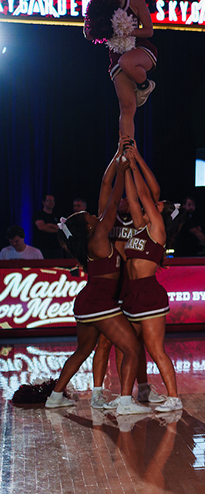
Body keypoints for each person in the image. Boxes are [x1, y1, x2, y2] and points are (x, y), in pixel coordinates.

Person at [45, 144, 145, 410]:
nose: (91, 214)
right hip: (100, 303)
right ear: (87, 225)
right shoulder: (99, 236)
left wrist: (116, 155)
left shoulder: (90, 239)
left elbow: (103, 184)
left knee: (82, 351)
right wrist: (123, 170)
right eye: (86, 215)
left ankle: (55, 397)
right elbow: (112, 200)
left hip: (88, 303)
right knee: (133, 348)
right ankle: (125, 401)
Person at [116, 145, 182, 414]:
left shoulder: (157, 230)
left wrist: (135, 162)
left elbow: (143, 195)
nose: (150, 205)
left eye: (157, 206)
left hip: (149, 294)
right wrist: (127, 166)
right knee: (129, 347)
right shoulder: (139, 228)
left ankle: (174, 398)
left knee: (156, 349)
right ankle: (127, 398)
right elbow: (133, 198)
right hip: (131, 293)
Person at [83, 0, 157, 141]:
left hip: (141, 50)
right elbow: (88, 34)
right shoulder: (97, 5)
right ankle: (127, 148)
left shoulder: (136, 1)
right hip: (116, 57)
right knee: (127, 106)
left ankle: (145, 86)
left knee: (127, 62)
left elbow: (149, 31)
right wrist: (100, 29)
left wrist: (127, 31)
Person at [31, 194, 63, 258]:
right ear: (43, 202)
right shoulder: (39, 214)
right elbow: (41, 227)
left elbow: (61, 229)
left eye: (53, 201)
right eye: (49, 200)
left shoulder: (57, 215)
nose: (51, 202)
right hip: (42, 248)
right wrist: (55, 228)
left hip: (57, 248)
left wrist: (49, 225)